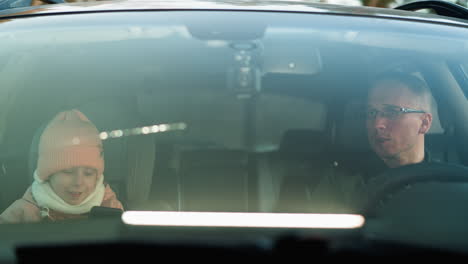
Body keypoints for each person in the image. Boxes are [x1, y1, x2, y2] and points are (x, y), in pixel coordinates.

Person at [0, 109, 123, 223]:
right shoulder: (23, 214)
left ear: (97, 177)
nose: (78, 182)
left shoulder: (110, 209)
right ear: (48, 174)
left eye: (88, 173)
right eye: (68, 171)